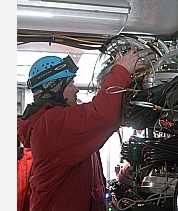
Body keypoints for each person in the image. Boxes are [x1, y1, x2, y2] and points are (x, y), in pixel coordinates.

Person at [17, 49, 148, 211]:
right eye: (71, 84)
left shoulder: (50, 121)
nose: (76, 90)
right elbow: (102, 116)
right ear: (55, 89)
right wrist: (121, 71)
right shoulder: (52, 123)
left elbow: (104, 119)